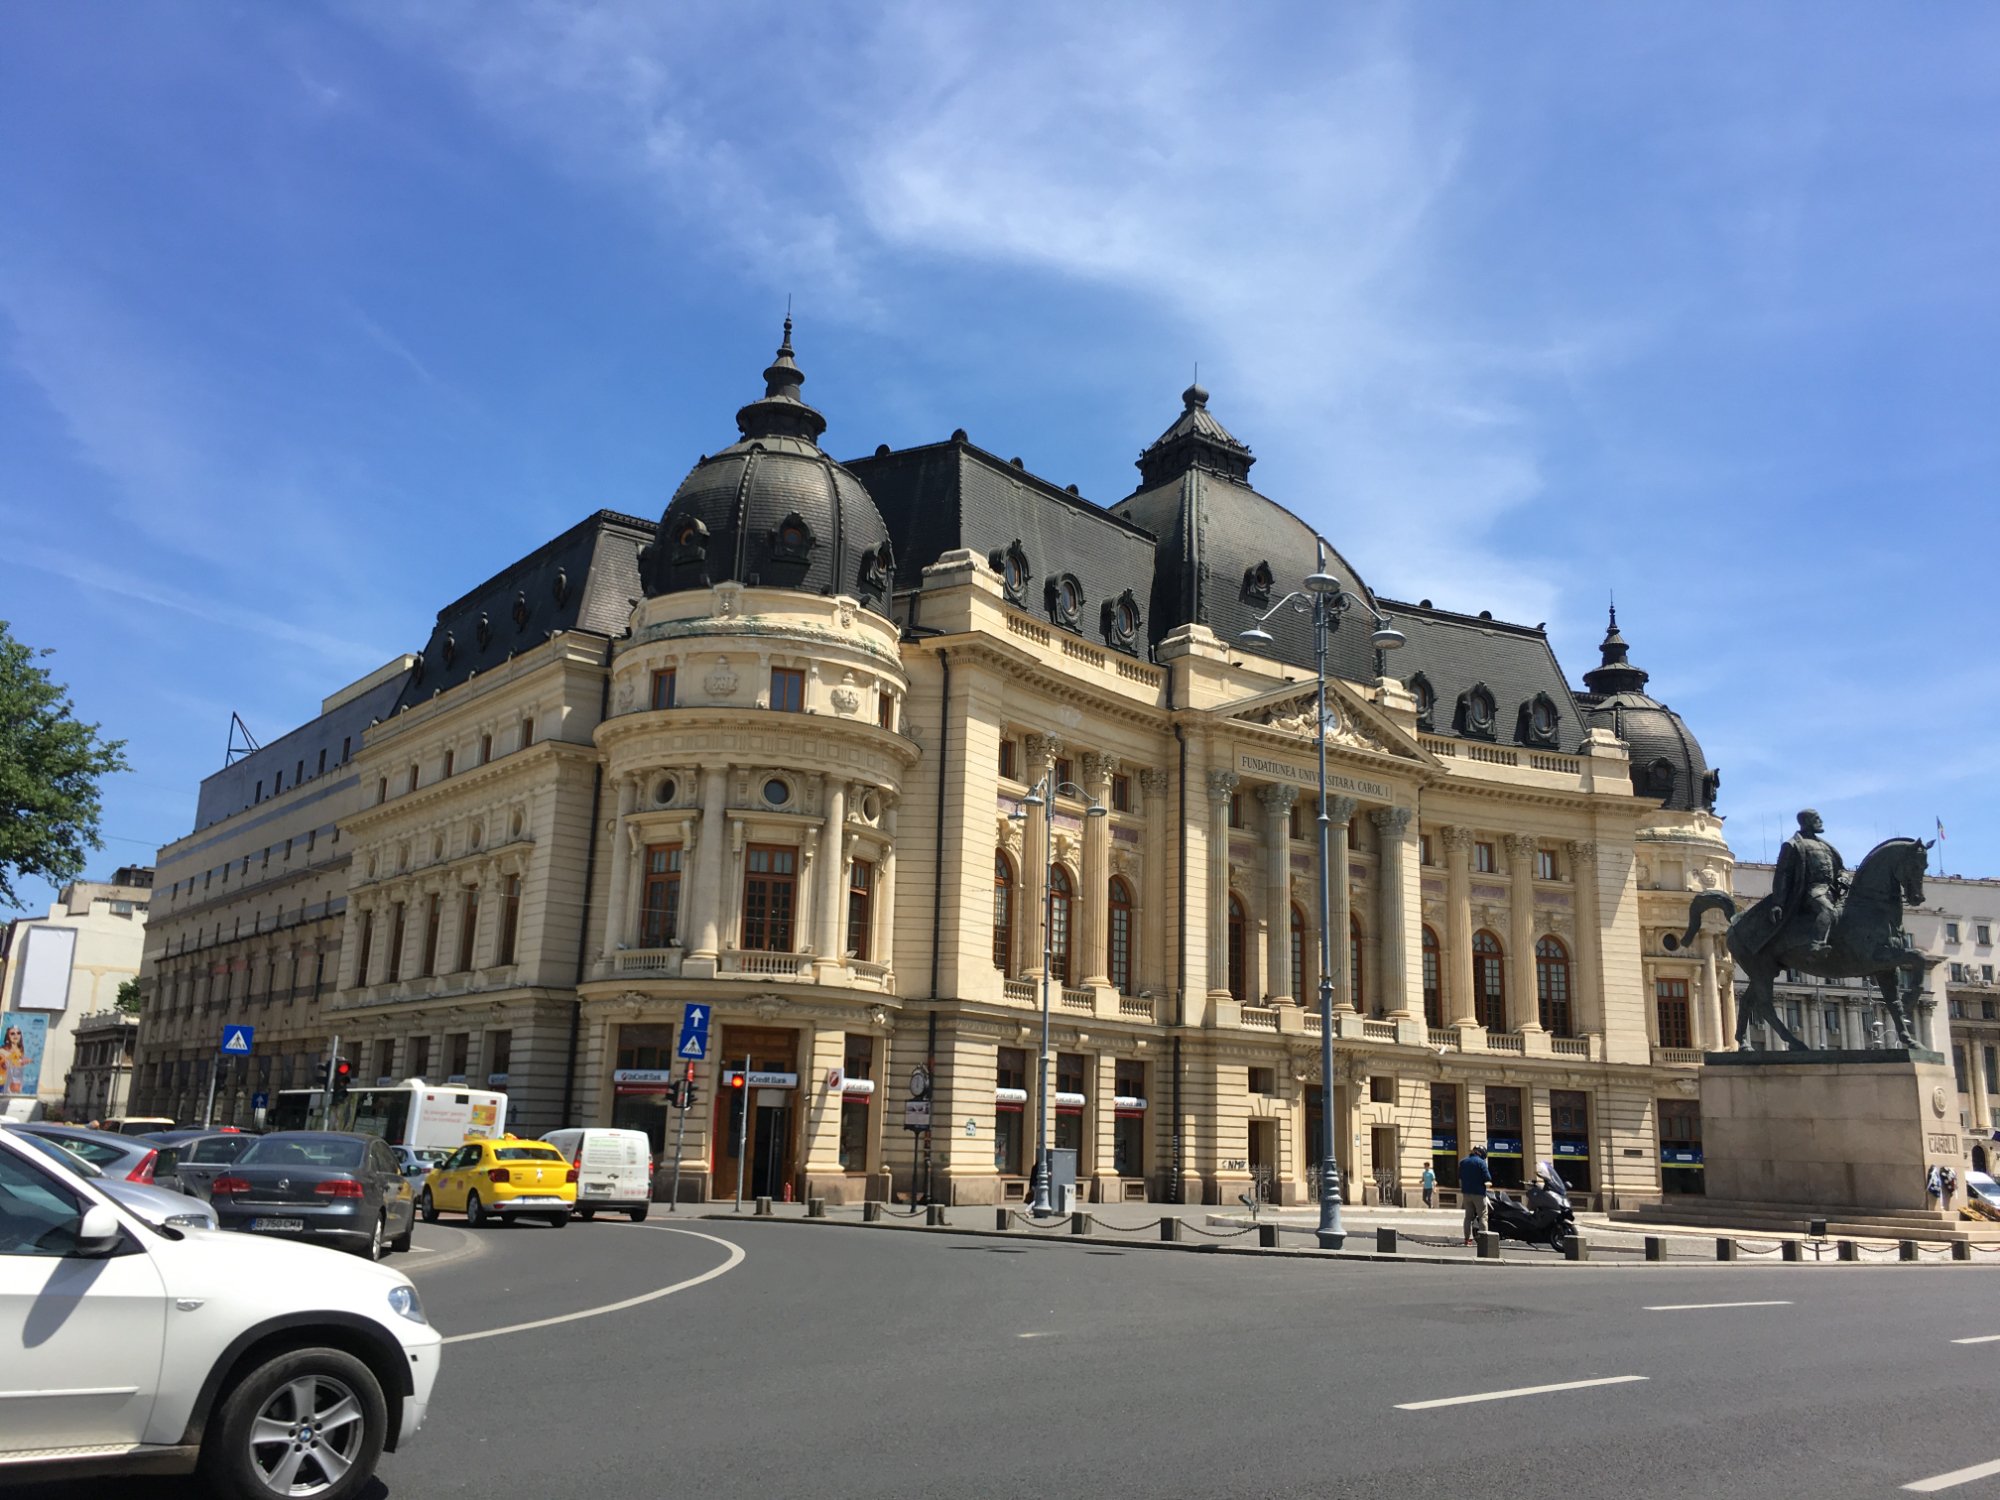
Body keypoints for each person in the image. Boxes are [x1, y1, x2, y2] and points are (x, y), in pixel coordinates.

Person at [1770, 809, 1847, 959]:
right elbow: (1783, 874)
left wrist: (1843, 878)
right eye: (1816, 819)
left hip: (1832, 890)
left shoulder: (1826, 846)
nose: (1821, 821)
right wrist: (1778, 902)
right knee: (1827, 911)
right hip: (1811, 890)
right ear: (1806, 821)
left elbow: (1841, 869)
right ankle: (1816, 944)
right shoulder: (1792, 844)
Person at [1459, 1146, 1491, 1244]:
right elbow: (1487, 1177)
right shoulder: (1481, 1162)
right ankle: (1484, 1241)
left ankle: (1467, 1239)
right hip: (1479, 1193)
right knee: (1482, 1216)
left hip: (1466, 1193)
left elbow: (1460, 1177)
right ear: (1481, 1153)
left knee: (1468, 1217)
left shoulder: (1463, 1162)